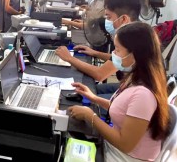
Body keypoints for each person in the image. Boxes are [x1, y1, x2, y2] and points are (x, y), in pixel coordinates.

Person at [68, 21, 170, 161]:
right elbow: (124, 112)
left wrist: (91, 116)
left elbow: (125, 144)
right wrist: (94, 98)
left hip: (123, 156)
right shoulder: (136, 77)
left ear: (134, 54)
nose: (113, 54)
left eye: (117, 49)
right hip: (117, 148)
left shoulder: (144, 95)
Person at [56, 0, 141, 83]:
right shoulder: (137, 30)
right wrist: (94, 53)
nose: (107, 21)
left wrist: (69, 58)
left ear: (124, 19)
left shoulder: (130, 39)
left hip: (136, 92)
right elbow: (118, 59)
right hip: (129, 86)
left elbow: (100, 74)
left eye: (108, 17)